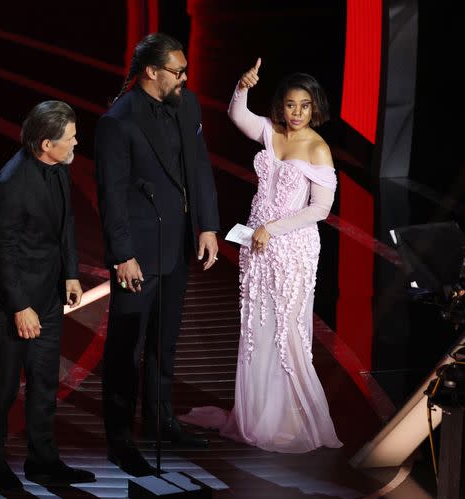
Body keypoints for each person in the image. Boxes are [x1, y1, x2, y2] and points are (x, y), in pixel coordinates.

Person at [180, 59, 343, 453]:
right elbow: (238, 115)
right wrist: (242, 86)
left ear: (315, 107)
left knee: (287, 334)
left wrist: (274, 229)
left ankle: (290, 418)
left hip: (293, 249)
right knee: (257, 331)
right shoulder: (271, 132)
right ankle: (258, 415)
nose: (298, 113)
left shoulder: (318, 149)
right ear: (281, 106)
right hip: (258, 246)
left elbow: (320, 209)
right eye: (290, 105)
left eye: (305, 106)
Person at [94, 32, 221, 476]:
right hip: (139, 252)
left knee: (164, 343)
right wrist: (122, 254)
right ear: (152, 72)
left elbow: (198, 165)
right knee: (126, 347)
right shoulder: (119, 120)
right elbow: (111, 195)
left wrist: (207, 224)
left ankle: (161, 419)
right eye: (178, 71)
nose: (186, 77)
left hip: (177, 242)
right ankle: (120, 437)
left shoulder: (187, 104)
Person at [0, 100, 96, 491]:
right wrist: (20, 307)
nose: (77, 143)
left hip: (47, 293)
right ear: (46, 144)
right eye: (71, 138)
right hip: (12, 301)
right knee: (5, 384)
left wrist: (71, 274)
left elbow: (66, 223)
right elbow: (4, 253)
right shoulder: (9, 185)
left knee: (45, 382)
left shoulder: (58, 168)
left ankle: (43, 463)